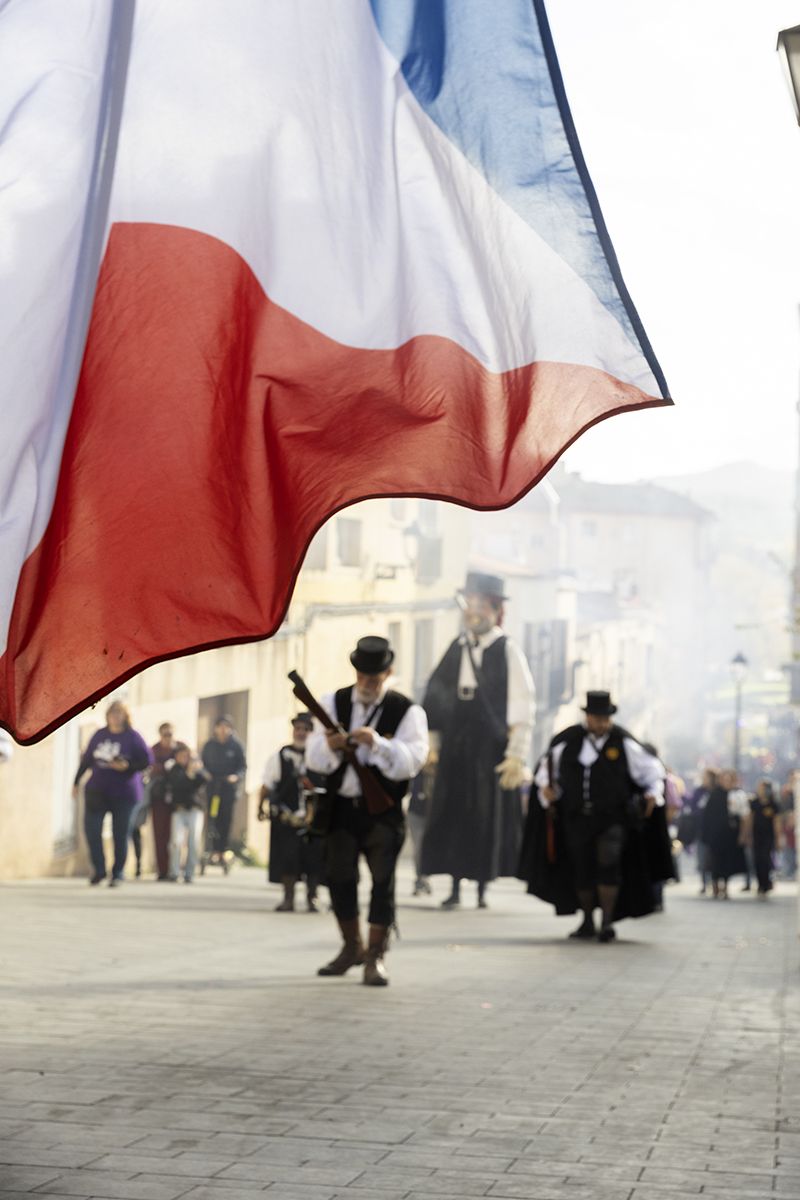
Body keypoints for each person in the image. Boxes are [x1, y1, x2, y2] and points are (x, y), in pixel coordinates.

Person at [305, 635, 429, 986]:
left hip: (383, 811)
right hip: (341, 808)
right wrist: (330, 745)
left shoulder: (407, 711)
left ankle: (375, 956)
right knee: (339, 878)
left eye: (374, 678)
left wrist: (377, 743)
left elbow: (412, 761)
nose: (367, 684)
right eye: (362, 675)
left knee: (382, 883)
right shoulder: (333, 702)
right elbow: (314, 757)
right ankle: (351, 948)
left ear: (387, 674)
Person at [420, 572, 535, 909]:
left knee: (484, 816)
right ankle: (455, 886)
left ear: (495, 609)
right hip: (458, 739)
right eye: (471, 602)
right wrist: (434, 744)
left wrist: (516, 753)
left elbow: (522, 703)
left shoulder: (507, 649)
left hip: (488, 744)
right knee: (454, 812)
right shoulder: (458, 646)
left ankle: (481, 888)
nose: (475, 610)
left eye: (482, 604)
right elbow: (436, 696)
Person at [519, 691, 672, 942]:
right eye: (596, 717)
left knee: (608, 863)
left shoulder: (623, 743)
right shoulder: (568, 742)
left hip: (613, 818)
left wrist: (654, 793)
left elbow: (653, 770)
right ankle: (588, 920)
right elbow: (546, 773)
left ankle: (608, 921)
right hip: (576, 817)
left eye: (605, 718)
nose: (601, 723)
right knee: (582, 868)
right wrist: (547, 791)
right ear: (587, 717)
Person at [73, 700, 152, 887]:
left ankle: (118, 873)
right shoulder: (100, 735)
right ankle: (99, 870)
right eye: (112, 713)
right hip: (97, 790)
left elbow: (147, 761)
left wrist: (128, 767)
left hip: (125, 793)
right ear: (107, 716)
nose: (115, 717)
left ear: (125, 716)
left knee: (120, 833)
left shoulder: (133, 737)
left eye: (119, 713)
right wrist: (76, 782)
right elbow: (86, 760)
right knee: (92, 831)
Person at [257, 713, 324, 912]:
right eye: (298, 729)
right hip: (287, 817)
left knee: (314, 858)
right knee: (288, 858)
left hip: (314, 819)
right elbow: (268, 784)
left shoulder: (320, 757)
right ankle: (288, 898)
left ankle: (313, 898)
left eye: (306, 729)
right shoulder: (281, 756)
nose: (301, 733)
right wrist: (260, 806)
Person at [201, 715, 246, 864]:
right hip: (214, 788)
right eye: (220, 726)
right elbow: (202, 764)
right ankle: (212, 849)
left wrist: (235, 777)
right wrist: (205, 774)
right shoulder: (210, 745)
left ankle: (222, 849)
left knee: (225, 819)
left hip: (228, 789)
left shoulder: (236, 745)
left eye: (226, 726)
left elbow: (242, 767)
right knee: (213, 816)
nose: (223, 730)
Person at [147, 722, 187, 880]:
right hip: (159, 797)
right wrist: (165, 768)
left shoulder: (181, 748)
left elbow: (189, 763)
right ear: (160, 735)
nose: (168, 738)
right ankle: (162, 870)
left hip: (178, 797)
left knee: (177, 836)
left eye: (170, 734)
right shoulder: (154, 750)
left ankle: (175, 869)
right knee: (160, 835)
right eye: (165, 735)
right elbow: (150, 767)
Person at [699, 769, 746, 899]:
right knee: (714, 861)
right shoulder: (714, 794)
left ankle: (725, 887)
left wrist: (743, 834)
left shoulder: (737, 794)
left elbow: (743, 815)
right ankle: (715, 886)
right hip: (715, 835)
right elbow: (707, 817)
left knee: (727, 861)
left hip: (730, 834)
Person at [165, 745, 207, 883]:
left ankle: (189, 873)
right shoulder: (175, 770)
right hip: (179, 809)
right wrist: (189, 774)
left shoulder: (198, 770)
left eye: (186, 756)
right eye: (181, 756)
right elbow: (179, 785)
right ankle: (174, 872)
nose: (184, 759)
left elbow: (203, 781)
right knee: (176, 842)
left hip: (195, 810)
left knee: (193, 842)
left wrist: (195, 770)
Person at [748, 779, 781, 898]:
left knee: (766, 859)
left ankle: (767, 883)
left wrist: (778, 838)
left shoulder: (773, 804)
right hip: (757, 836)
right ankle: (760, 884)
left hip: (768, 836)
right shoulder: (754, 803)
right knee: (757, 860)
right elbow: (750, 819)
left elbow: (776, 822)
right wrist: (748, 835)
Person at [407, 767, 433, 897]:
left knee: (426, 848)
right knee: (418, 847)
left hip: (431, 814)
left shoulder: (437, 768)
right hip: (415, 812)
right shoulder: (416, 766)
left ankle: (424, 877)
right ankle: (420, 878)